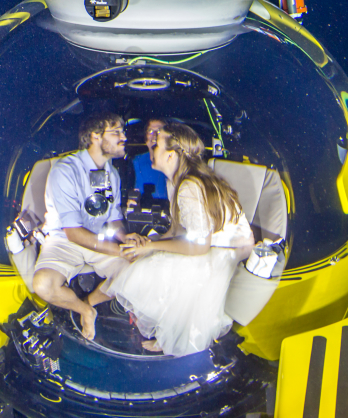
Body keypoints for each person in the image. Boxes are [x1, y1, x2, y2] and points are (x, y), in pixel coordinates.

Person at [106, 123, 253, 356]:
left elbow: (200, 246)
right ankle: (165, 332)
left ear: (171, 155)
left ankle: (170, 338)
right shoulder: (175, 181)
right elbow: (176, 230)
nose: (150, 147)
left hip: (226, 251)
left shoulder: (189, 187)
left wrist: (152, 248)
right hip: (208, 244)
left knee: (154, 269)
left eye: (157, 144)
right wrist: (148, 245)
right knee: (152, 257)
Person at [32, 112, 131, 340]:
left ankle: (90, 303)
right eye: (116, 132)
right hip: (63, 241)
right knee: (43, 285)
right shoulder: (66, 170)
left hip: (96, 238)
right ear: (95, 136)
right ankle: (84, 311)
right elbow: (74, 233)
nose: (124, 137)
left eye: (122, 132)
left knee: (135, 271)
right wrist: (120, 250)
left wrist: (126, 239)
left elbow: (113, 218)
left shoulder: (112, 174)